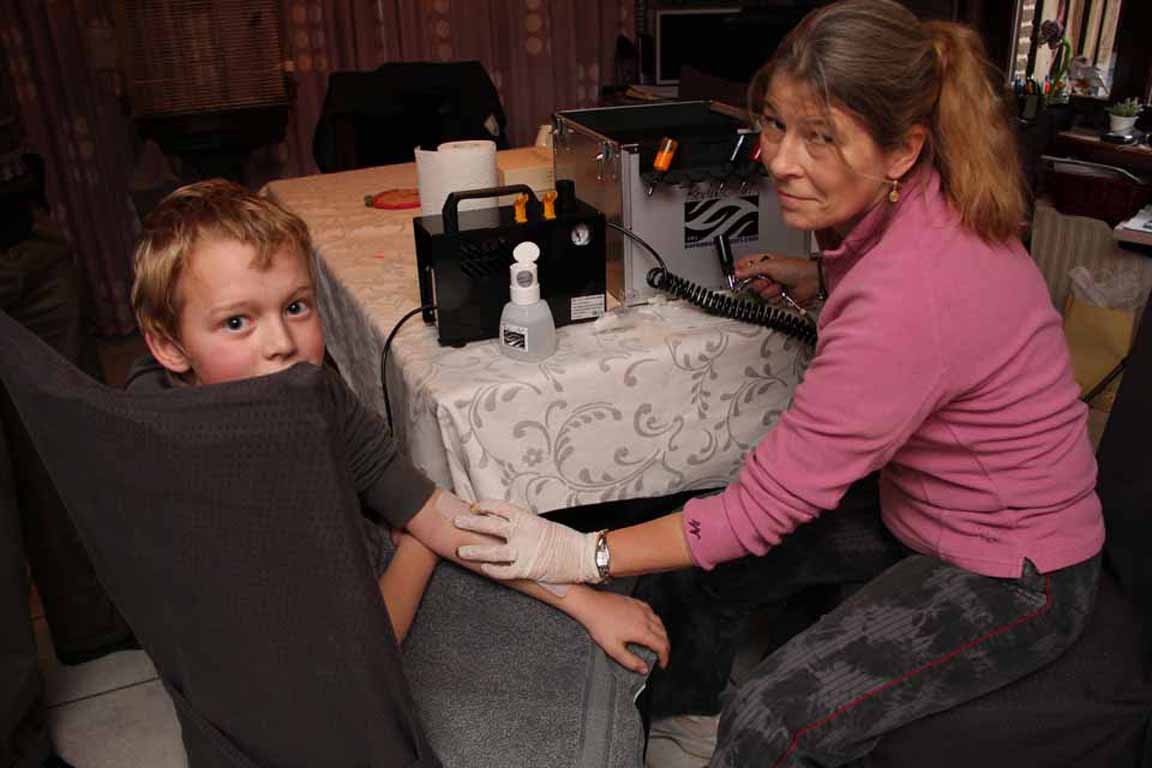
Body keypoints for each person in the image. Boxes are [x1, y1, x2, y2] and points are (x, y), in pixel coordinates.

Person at [452, 1, 1104, 765]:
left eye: (821, 136)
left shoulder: (911, 294)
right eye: (775, 125)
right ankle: (686, 725)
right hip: (927, 504)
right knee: (695, 570)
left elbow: (763, 507)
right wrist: (819, 277)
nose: (782, 161)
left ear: (902, 150)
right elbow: (916, 316)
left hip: (1017, 568)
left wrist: (578, 553)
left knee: (771, 716)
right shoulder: (919, 203)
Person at [124, 178, 669, 666]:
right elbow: (362, 654)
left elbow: (434, 510)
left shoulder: (312, 395)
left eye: (295, 307)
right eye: (236, 322)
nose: (281, 344)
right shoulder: (206, 485)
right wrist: (417, 547)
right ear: (169, 345)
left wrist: (585, 603)